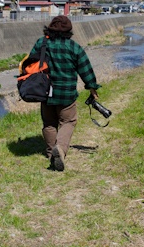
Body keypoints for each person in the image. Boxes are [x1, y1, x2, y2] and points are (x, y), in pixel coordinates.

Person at [30, 15, 100, 172]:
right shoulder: (73, 47)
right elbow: (85, 68)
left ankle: (50, 153)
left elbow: (30, 63)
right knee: (68, 122)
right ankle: (60, 149)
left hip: (45, 91)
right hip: (66, 93)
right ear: (69, 31)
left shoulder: (41, 44)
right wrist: (92, 87)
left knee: (49, 123)